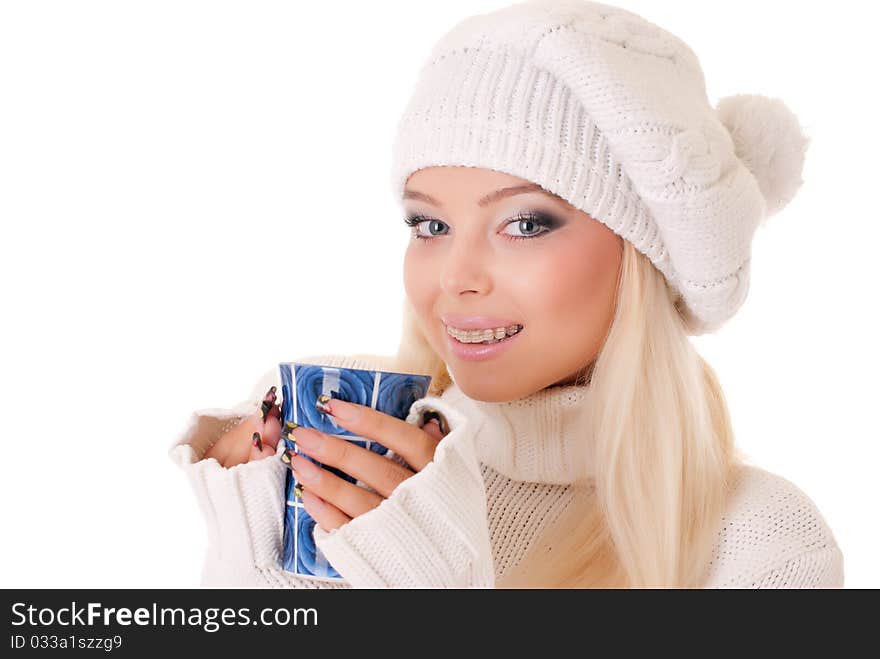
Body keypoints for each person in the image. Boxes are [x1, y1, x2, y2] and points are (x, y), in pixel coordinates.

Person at [168, 0, 844, 588]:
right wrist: (253, 557)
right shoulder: (359, 495)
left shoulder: (766, 546)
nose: (455, 276)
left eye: (524, 223)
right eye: (430, 224)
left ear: (642, 256)